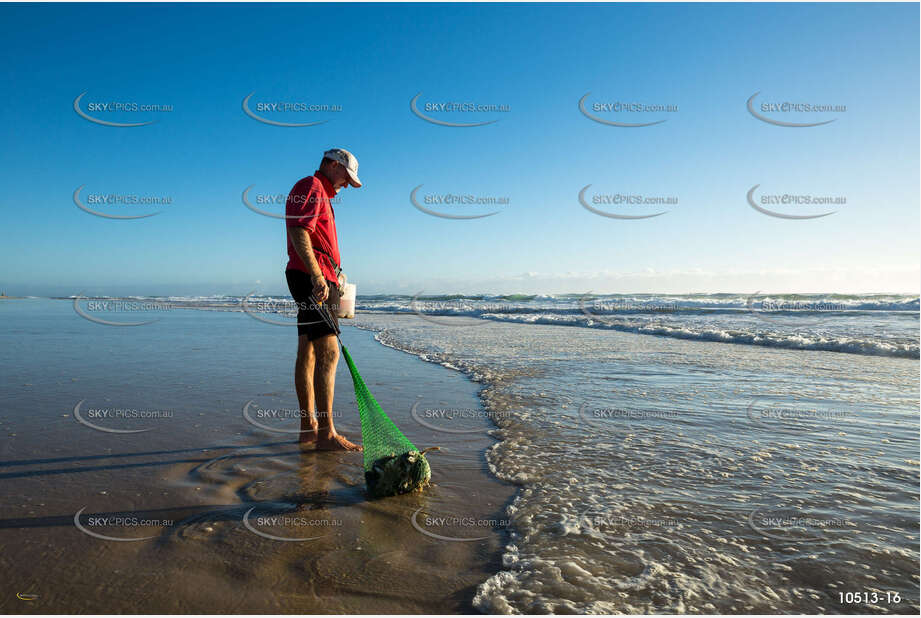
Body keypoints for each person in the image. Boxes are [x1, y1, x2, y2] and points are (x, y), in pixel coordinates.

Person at [284, 148, 362, 451]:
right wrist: (318, 277)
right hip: (311, 278)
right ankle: (327, 434)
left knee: (309, 350)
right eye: (346, 176)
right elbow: (299, 231)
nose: (346, 184)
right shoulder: (311, 187)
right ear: (332, 164)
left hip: (316, 277)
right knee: (330, 351)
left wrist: (333, 276)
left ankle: (309, 428)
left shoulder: (321, 194)